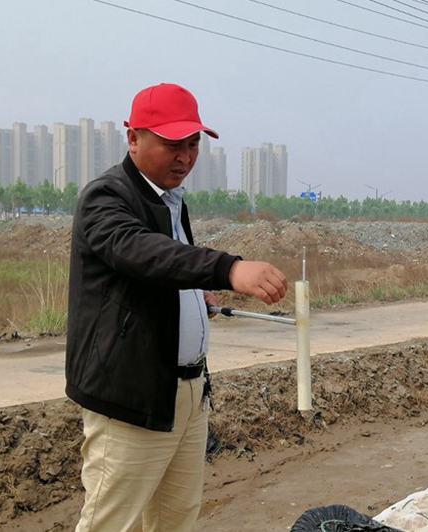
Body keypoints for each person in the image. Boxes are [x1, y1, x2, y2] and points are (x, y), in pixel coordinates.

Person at [65, 82, 288, 532]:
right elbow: (141, 252)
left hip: (185, 392)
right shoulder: (106, 197)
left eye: (193, 144)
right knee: (112, 523)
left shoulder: (168, 200)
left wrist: (192, 295)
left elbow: (162, 270)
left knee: (176, 518)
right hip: (129, 395)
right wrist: (226, 269)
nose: (185, 157)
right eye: (172, 145)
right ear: (133, 138)